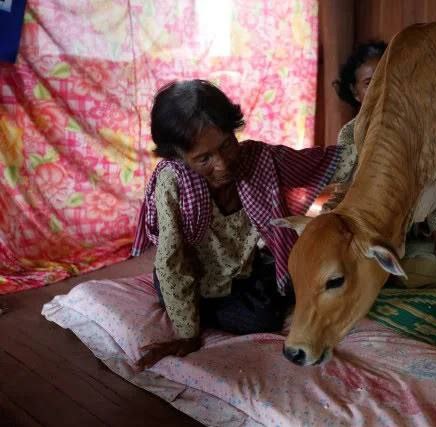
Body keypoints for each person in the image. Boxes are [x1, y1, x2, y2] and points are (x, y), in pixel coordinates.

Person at [131, 79, 355, 368]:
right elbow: (171, 262)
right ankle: (192, 309)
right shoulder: (172, 182)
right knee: (259, 317)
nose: (222, 164)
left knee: (284, 291)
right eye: (204, 158)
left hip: (240, 272)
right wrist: (188, 334)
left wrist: (383, 151)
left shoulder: (258, 160)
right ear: (178, 156)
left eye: (226, 145)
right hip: (191, 279)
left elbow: (324, 162)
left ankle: (228, 302)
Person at [322, 41, 436, 269]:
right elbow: (342, 192)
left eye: (388, 78)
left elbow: (434, 196)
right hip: (365, 232)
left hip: (411, 236)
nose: (382, 88)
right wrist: (327, 225)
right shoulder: (349, 135)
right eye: (369, 83)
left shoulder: (418, 131)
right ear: (355, 92)